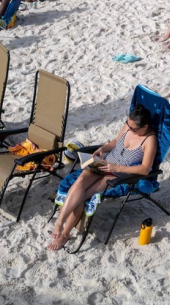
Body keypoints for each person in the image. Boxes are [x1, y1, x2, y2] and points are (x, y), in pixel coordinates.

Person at [49, 104, 158, 251]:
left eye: (133, 129)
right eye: (128, 125)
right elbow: (115, 142)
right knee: (80, 181)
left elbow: (145, 169)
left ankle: (65, 234)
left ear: (144, 127)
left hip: (118, 173)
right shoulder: (129, 125)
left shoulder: (150, 140)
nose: (129, 129)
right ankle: (59, 223)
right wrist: (102, 149)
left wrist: (116, 168)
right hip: (103, 164)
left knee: (83, 196)